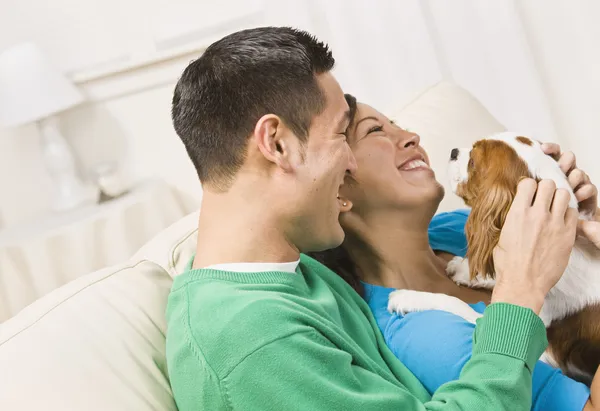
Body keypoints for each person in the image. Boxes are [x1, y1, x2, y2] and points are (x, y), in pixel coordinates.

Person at [165, 27, 579, 410]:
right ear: (276, 143)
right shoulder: (251, 338)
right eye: (340, 135)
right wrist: (519, 293)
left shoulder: (292, 274)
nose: (349, 162)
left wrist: (571, 215)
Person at [309, 94, 600, 411]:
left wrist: (577, 212)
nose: (411, 136)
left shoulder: (457, 227)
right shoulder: (420, 331)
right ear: (337, 191)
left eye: (396, 125)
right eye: (374, 130)